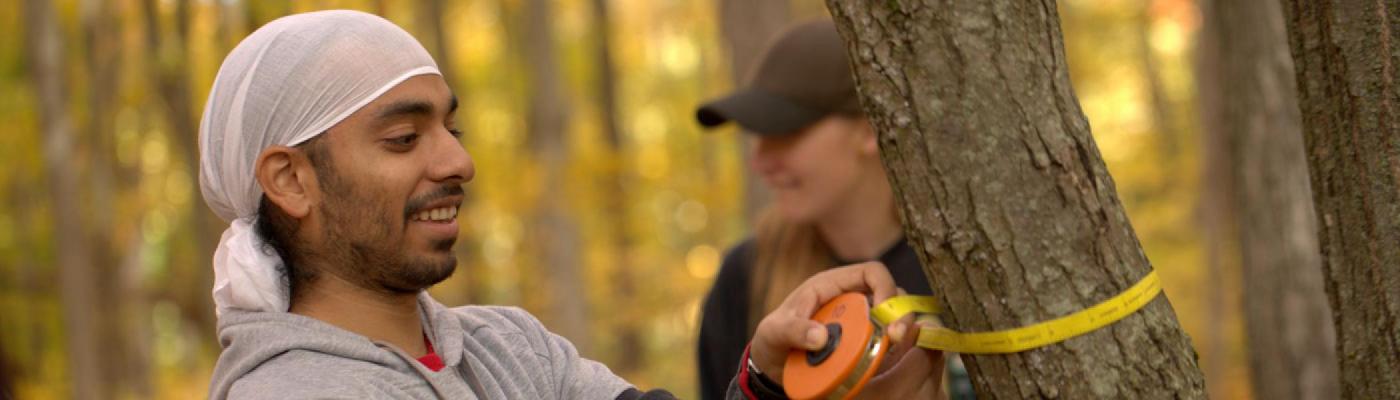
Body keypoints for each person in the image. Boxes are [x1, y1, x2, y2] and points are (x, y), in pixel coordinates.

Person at [200, 10, 940, 399]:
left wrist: (772, 378)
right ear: (291, 181)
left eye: (449, 127)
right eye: (402, 138)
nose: (458, 161)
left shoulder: (508, 348)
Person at [694, 19, 974, 399]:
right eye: (757, 135)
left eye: (785, 130)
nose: (759, 161)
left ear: (868, 129)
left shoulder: (967, 262)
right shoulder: (745, 276)